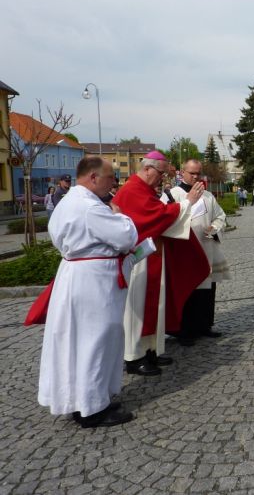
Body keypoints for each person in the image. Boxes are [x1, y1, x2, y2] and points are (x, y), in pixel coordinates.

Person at [37, 157, 138, 427]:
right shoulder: (90, 207)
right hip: (93, 282)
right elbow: (127, 237)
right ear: (93, 177)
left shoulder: (68, 202)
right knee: (97, 339)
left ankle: (85, 399)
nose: (113, 183)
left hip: (77, 276)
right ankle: (93, 409)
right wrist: (118, 214)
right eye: (110, 177)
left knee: (79, 341)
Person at [114, 151, 210, 376]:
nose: (163, 179)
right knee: (138, 307)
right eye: (161, 173)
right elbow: (155, 218)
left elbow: (159, 215)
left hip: (152, 257)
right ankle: (133, 357)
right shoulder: (132, 190)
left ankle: (150, 350)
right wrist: (187, 203)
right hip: (139, 261)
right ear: (147, 168)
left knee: (154, 306)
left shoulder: (143, 189)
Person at [165, 159, 231, 345]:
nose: (195, 177)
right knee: (186, 291)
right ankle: (183, 330)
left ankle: (204, 326)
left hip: (205, 247)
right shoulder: (173, 194)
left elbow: (220, 216)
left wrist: (214, 227)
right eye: (191, 173)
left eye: (198, 173)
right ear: (182, 173)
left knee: (206, 291)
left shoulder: (208, 196)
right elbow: (166, 218)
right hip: (183, 252)